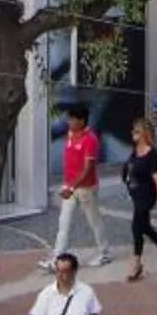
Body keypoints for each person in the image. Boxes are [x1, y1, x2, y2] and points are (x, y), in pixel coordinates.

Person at [51, 102, 109, 262]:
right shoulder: (70, 135)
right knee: (64, 222)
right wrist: (67, 185)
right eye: (68, 119)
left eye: (72, 119)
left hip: (86, 188)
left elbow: (88, 168)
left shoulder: (90, 140)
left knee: (94, 220)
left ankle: (104, 252)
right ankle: (57, 256)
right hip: (69, 186)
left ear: (82, 121)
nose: (69, 122)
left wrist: (72, 186)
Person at [120, 115, 157, 282]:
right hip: (135, 194)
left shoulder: (151, 154)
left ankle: (137, 264)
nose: (134, 134)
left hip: (146, 195)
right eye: (133, 131)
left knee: (136, 227)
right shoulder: (135, 150)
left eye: (137, 131)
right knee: (145, 227)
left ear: (145, 134)